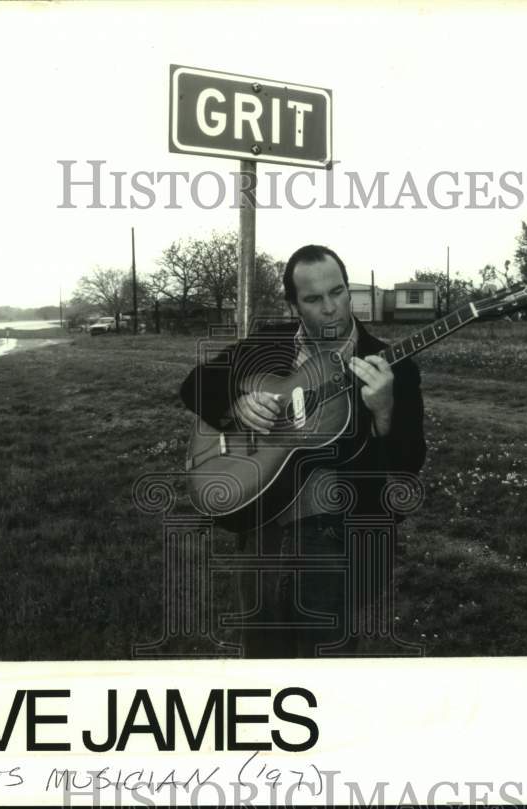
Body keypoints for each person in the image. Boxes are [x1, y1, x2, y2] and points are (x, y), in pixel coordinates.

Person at [179, 245, 426, 657]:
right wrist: (238, 403)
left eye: (338, 292)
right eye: (313, 299)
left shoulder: (393, 367)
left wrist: (384, 411)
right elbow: (195, 384)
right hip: (265, 526)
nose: (331, 308)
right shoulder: (267, 345)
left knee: (327, 662)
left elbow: (408, 461)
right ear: (293, 304)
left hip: (337, 537)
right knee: (261, 657)